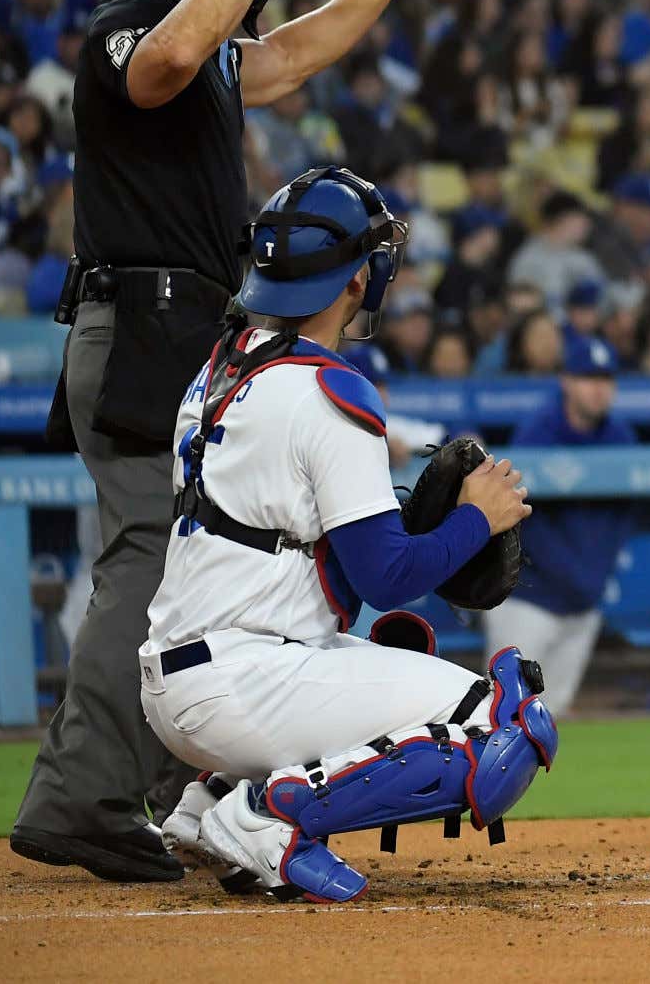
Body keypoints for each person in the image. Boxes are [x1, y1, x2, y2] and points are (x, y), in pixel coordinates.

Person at [14, 0, 426, 885]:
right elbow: (165, 61)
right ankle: (82, 798)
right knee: (152, 563)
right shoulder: (127, 20)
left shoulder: (198, 41)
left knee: (190, 567)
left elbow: (279, 58)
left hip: (183, 329)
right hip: (140, 325)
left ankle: (166, 797)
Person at [137, 168, 544, 902]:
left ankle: (207, 805)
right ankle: (263, 816)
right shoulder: (332, 389)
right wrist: (477, 518)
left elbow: (311, 541)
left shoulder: (222, 366)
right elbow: (388, 577)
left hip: (189, 676)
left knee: (402, 671)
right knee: (504, 720)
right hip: (244, 678)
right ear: (359, 278)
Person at [478, 335, 636, 716]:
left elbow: (623, 518)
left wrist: (592, 580)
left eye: (605, 379)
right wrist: (577, 576)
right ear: (566, 380)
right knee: (503, 714)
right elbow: (520, 522)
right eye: (587, 378)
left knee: (553, 717)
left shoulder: (620, 437)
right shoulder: (537, 432)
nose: (598, 389)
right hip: (528, 601)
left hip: (583, 605)